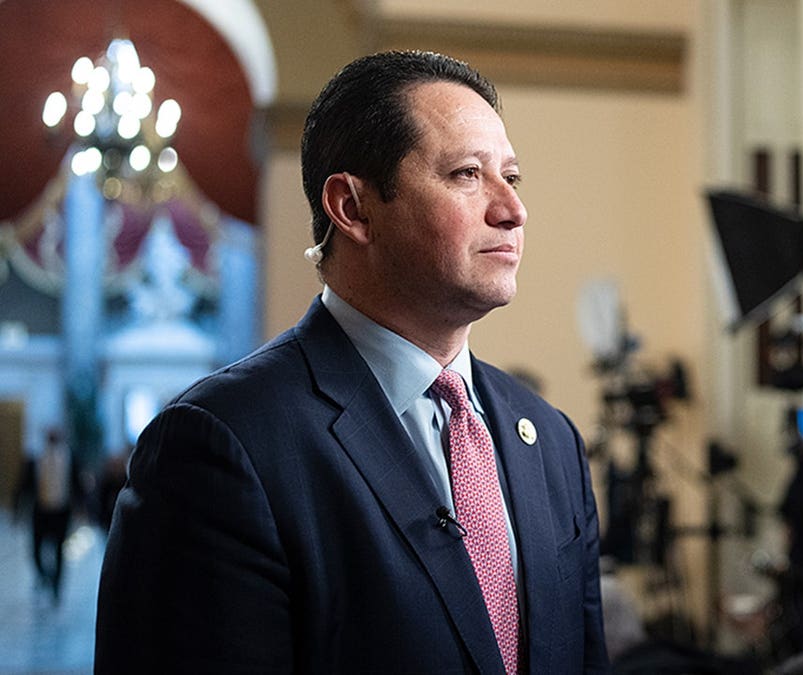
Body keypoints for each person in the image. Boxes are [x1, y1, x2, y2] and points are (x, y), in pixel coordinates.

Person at [96, 50, 608, 673]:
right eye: (467, 175)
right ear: (353, 207)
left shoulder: (551, 441)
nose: (512, 209)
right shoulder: (221, 446)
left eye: (512, 177)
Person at [32, 427, 71, 604]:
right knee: (36, 549)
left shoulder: (69, 457)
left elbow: (76, 483)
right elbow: (26, 483)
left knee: (58, 550)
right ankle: (44, 575)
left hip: (60, 512)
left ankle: (56, 585)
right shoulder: (37, 459)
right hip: (41, 511)